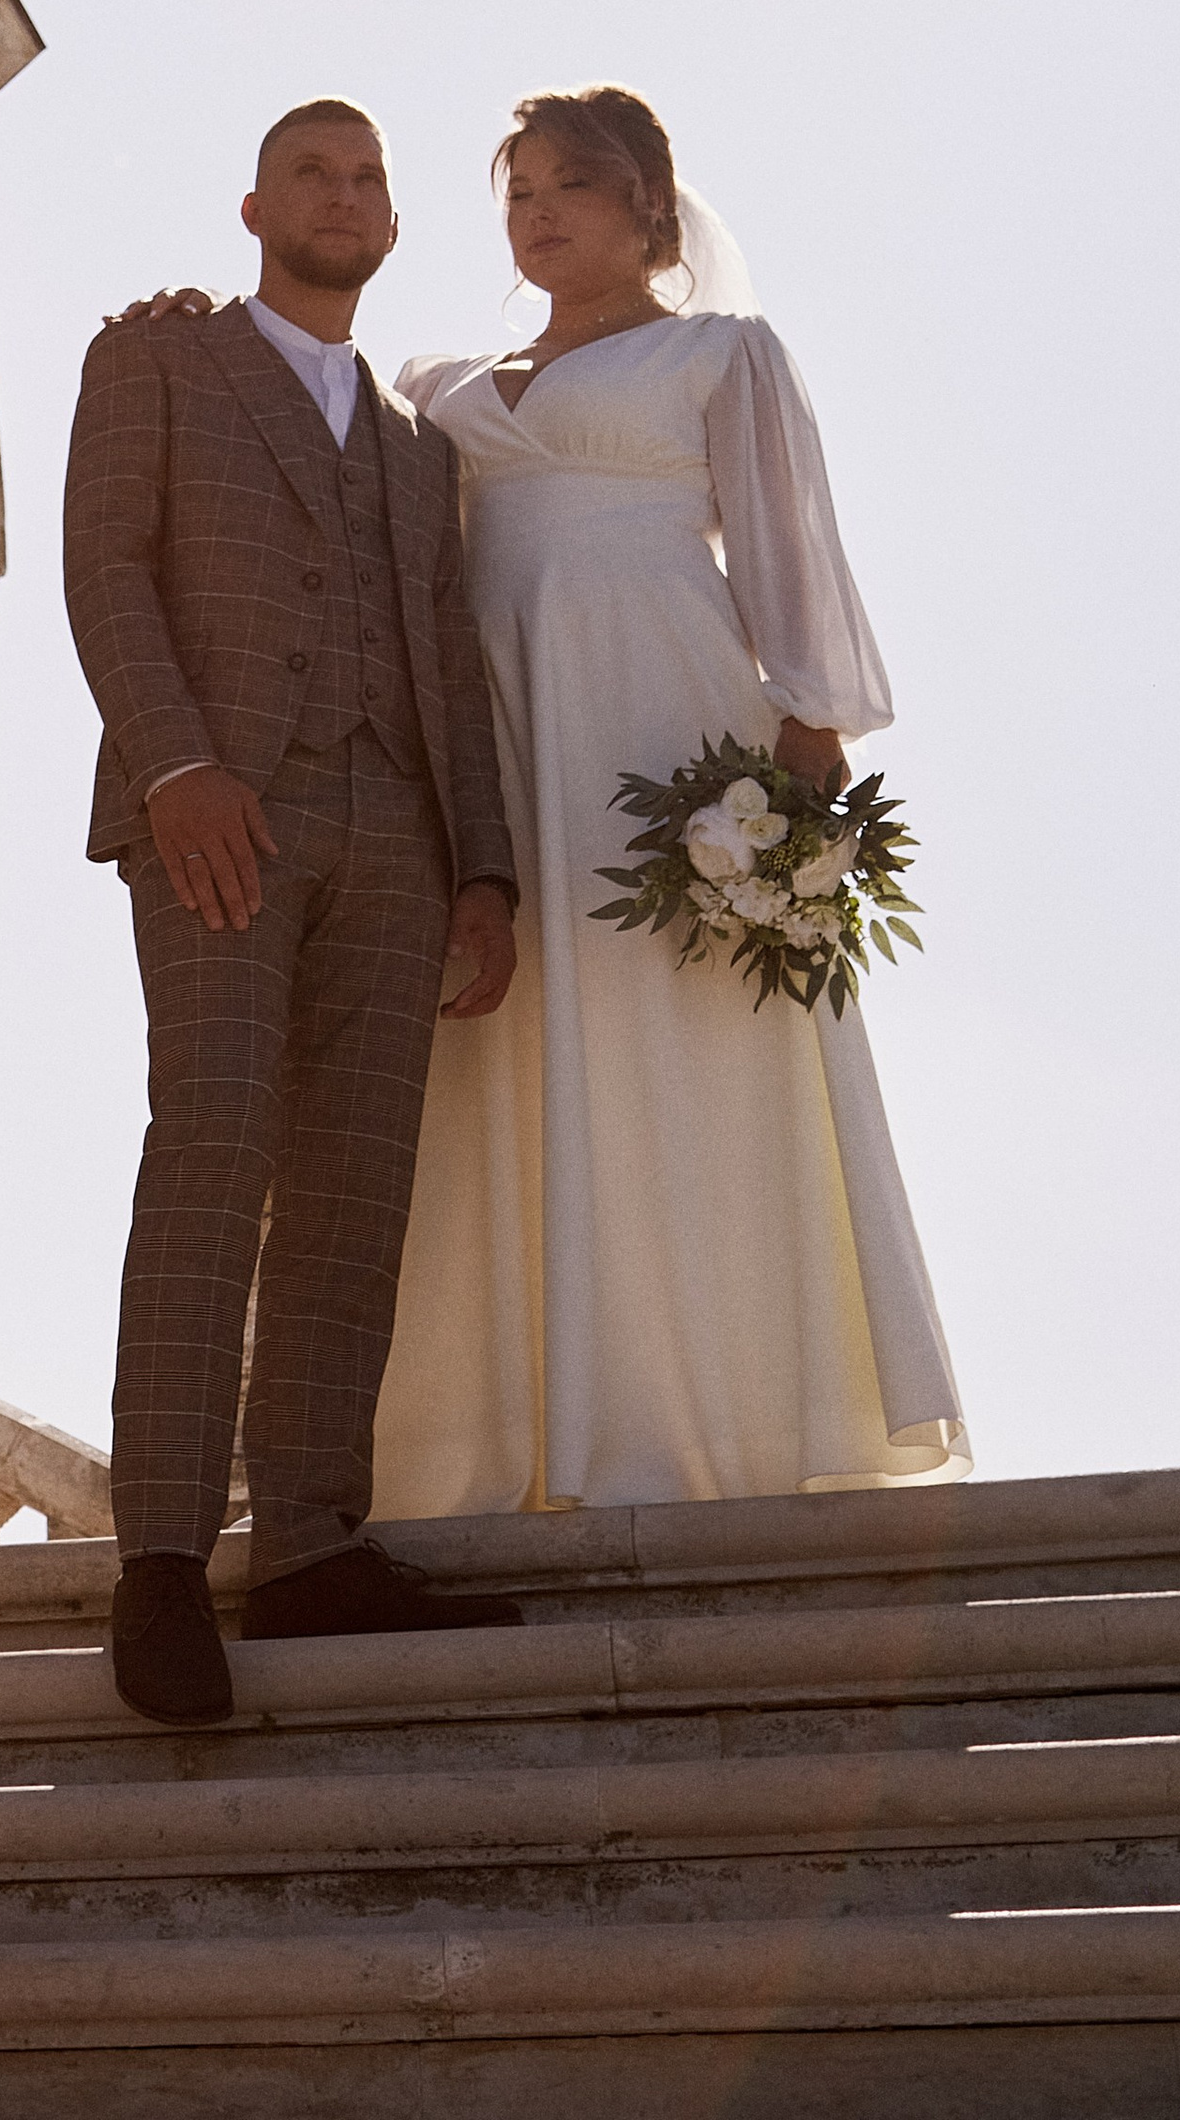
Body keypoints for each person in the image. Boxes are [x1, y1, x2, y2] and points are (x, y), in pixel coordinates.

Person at [368, 84, 967, 1514]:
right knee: (503, 1042)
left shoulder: (722, 355)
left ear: (649, 204)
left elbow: (792, 562)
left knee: (680, 1044)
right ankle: (498, 1439)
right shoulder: (437, 387)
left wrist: (791, 794)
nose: (538, 213)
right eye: (517, 192)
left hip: (665, 725)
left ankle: (712, 1421)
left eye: (571, 184)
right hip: (496, 742)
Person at [63, 99, 527, 1724]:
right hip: (220, 814)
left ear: (391, 221)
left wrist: (484, 870)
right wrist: (177, 764)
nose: (344, 195)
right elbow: (107, 569)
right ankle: (162, 1561)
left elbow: (448, 661)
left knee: (356, 1186)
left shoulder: (418, 448)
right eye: (313, 172)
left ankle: (315, 1541)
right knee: (213, 1142)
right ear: (255, 207)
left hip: (396, 834)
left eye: (368, 177)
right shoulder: (157, 360)